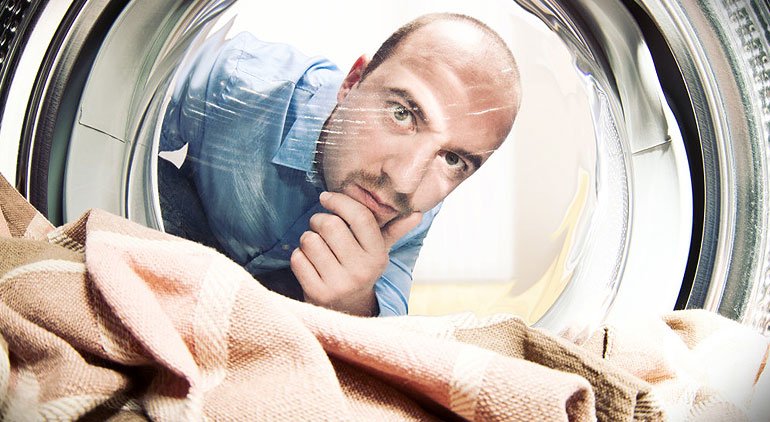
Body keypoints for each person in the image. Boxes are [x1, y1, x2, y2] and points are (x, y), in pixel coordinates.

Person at [158, 12, 521, 317]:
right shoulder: (239, 80)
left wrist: (354, 302)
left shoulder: (414, 207)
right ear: (353, 81)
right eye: (402, 114)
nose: (403, 181)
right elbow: (125, 119)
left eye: (453, 159)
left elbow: (390, 311)